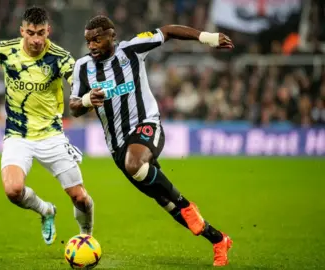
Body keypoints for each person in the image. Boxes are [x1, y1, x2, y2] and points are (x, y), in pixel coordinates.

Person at [69, 15, 234, 266]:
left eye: (97, 39)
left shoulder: (132, 50)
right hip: (117, 146)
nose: (91, 45)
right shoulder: (82, 67)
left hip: (147, 125)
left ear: (112, 36)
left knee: (136, 165)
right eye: (88, 41)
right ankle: (219, 240)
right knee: (165, 202)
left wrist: (206, 37)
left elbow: (167, 31)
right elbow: (73, 107)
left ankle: (187, 205)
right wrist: (85, 101)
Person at [0, 6, 94, 245]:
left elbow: (77, 83)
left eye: (41, 33)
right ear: (22, 31)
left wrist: (87, 98)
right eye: (31, 33)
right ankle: (46, 210)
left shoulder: (60, 57)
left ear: (49, 31)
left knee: (81, 198)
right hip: (18, 135)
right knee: (13, 190)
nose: (36, 39)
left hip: (52, 136)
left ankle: (86, 236)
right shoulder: (7, 51)